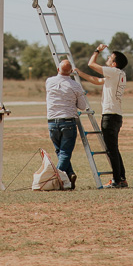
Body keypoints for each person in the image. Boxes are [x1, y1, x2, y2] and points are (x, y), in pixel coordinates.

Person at [77, 42, 128, 187]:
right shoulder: (119, 74)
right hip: (116, 116)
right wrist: (80, 74)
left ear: (114, 63)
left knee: (111, 150)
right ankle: (121, 178)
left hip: (110, 116)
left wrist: (97, 51)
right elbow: (98, 81)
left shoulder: (114, 71)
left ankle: (117, 180)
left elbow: (91, 64)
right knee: (114, 149)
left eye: (110, 57)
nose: (107, 59)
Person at [45, 58, 88, 189]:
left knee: (60, 151)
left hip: (52, 122)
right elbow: (82, 106)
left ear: (58, 69)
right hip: (68, 122)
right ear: (71, 72)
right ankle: (55, 179)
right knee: (65, 152)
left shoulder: (49, 81)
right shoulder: (75, 85)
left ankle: (70, 174)